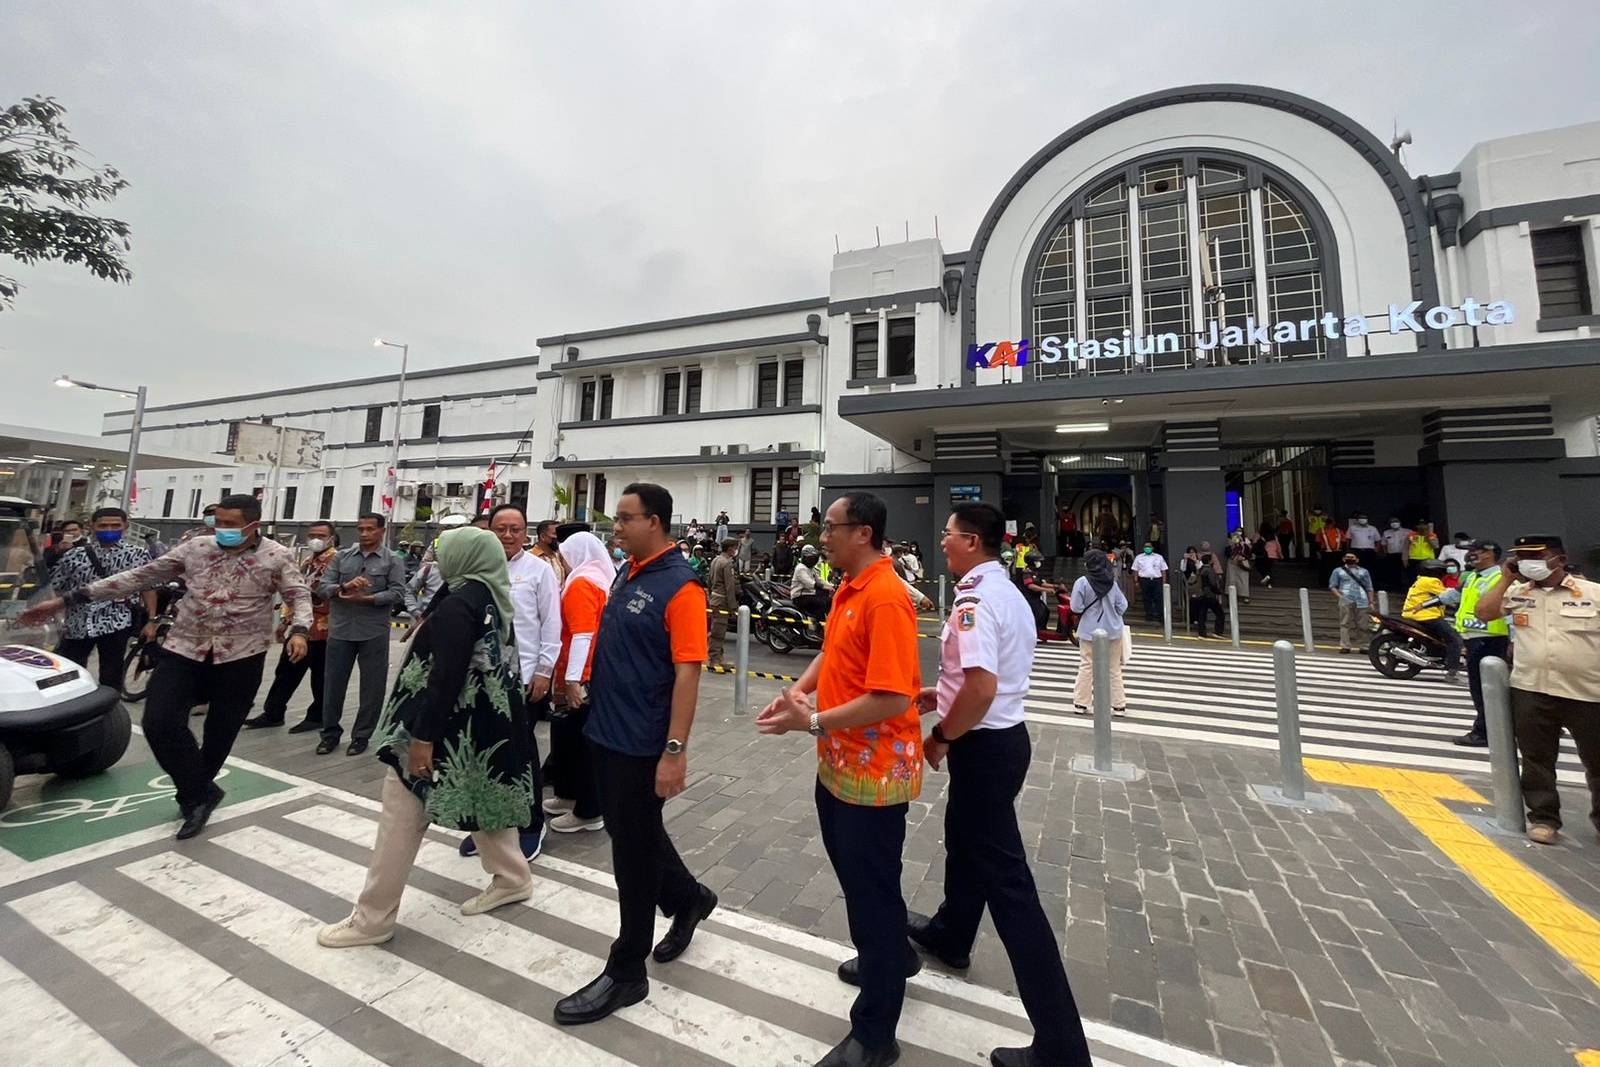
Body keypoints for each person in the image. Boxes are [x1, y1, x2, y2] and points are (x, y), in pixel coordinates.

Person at [910, 503, 1093, 1066]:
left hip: (983, 744)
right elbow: (980, 680)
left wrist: (941, 733)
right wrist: (940, 699)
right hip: (1004, 740)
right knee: (962, 838)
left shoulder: (973, 599)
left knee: (1009, 885)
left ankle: (1061, 1044)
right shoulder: (1008, 591)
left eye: (948, 534)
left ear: (970, 541)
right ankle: (952, 933)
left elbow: (982, 687)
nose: (942, 541)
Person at [23, 494, 311, 839]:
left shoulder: (278, 556)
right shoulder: (196, 549)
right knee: (158, 722)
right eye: (219, 522)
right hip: (184, 648)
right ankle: (200, 793)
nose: (222, 530)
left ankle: (195, 797)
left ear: (253, 525)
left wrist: (299, 630)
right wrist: (65, 600)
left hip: (242, 656)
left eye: (231, 525)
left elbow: (298, 595)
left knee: (220, 735)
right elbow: (138, 576)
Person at [756, 491, 922, 1067]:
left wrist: (815, 720)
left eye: (831, 527)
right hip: (839, 763)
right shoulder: (850, 589)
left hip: (874, 775)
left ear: (864, 533)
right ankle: (892, 954)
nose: (821, 537)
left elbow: (891, 695)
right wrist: (799, 693)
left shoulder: (886, 597)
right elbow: (833, 655)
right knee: (859, 881)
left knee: (871, 894)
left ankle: (876, 1035)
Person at [316, 526, 537, 950]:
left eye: (445, 551)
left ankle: (372, 919)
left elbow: (446, 677)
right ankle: (512, 878)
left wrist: (423, 738)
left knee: (400, 815)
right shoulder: (487, 594)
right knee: (478, 794)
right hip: (479, 730)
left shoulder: (459, 605)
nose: (438, 558)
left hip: (440, 731)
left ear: (464, 557)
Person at [555, 483, 716, 1026]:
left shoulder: (682, 587)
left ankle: (628, 971)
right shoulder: (629, 571)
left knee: (631, 854)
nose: (615, 528)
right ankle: (689, 898)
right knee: (634, 833)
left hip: (643, 743)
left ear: (656, 522)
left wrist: (675, 750)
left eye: (625, 519)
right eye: (615, 519)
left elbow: (688, 673)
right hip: (605, 729)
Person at [1473, 535, 1600, 846]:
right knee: (1536, 759)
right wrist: (1505, 578)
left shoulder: (1592, 593)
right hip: (1532, 688)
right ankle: (1543, 818)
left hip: (1587, 692)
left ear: (1558, 558)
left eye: (1536, 555)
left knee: (1598, 760)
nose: (1528, 561)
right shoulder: (1518, 593)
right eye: (1522, 556)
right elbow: (1484, 613)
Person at [462, 503, 561, 861]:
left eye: (515, 529)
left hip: (523, 679)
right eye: (500, 528)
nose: (507, 535)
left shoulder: (538, 571)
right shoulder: (475, 570)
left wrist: (544, 671)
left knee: (520, 754)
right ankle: (488, 827)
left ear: (525, 533)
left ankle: (531, 824)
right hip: (480, 679)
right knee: (483, 751)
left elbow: (552, 624)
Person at [317, 513, 412, 757]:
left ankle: (361, 736)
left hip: (373, 630)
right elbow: (323, 587)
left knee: (372, 687)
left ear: (381, 531)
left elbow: (398, 593)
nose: (364, 533)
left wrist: (368, 598)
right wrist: (345, 588)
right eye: (360, 529)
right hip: (340, 629)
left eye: (370, 529)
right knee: (333, 684)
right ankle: (329, 734)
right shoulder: (342, 556)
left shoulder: (392, 560)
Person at [544, 531, 612, 834]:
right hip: (586, 671)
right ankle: (568, 794)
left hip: (583, 674)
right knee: (568, 738)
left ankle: (588, 810)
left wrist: (573, 681)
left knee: (582, 744)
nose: (562, 560)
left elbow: (583, 634)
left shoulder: (583, 584)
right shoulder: (596, 578)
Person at [244, 521, 339, 731]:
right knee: (286, 670)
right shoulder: (306, 561)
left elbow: (334, 592)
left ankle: (317, 716)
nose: (316, 539)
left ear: (332, 538)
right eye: (312, 534)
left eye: (321, 535)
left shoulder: (337, 560)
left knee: (320, 675)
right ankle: (273, 712)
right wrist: (285, 622)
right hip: (300, 626)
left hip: (324, 628)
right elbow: (294, 593)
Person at [49, 507, 156, 691]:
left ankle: (109, 714)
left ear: (125, 526)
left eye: (115, 525)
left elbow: (148, 588)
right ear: (92, 526)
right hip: (77, 622)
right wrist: (55, 617)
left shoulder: (138, 555)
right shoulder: (75, 555)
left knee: (111, 674)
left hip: (116, 622)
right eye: (103, 525)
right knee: (70, 672)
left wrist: (151, 621)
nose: (109, 530)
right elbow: (57, 587)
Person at [1446, 540, 1510, 747]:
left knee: (1486, 690)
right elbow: (1454, 596)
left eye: (1475, 551)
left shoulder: (1501, 578)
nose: (1470, 555)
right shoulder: (1472, 576)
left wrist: (1514, 641)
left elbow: (1511, 610)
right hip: (1475, 639)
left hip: (1492, 640)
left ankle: (1483, 733)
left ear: (1490, 553)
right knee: (1484, 689)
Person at [1070, 549, 1128, 716]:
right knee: (1113, 668)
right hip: (1112, 631)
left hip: (1089, 630)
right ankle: (1119, 705)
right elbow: (1122, 606)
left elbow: (1075, 607)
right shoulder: (1112, 582)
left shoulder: (1082, 582)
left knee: (1086, 665)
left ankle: (1081, 703)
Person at [1402, 559, 1463, 681]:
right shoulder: (1432, 581)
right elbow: (1447, 595)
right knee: (1454, 639)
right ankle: (1453, 672)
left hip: (1416, 614)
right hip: (1427, 616)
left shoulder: (1421, 579)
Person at [1328, 550, 1375, 654]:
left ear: (1357, 560)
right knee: (1344, 623)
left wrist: (1371, 601)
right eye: (1347, 557)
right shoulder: (1338, 571)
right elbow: (1332, 586)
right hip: (1346, 600)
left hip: (1362, 600)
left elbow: (1369, 587)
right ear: (1343, 559)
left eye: (1352, 557)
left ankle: (1364, 646)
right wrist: (1340, 597)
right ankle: (1345, 646)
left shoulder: (1364, 571)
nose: (1350, 559)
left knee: (1363, 625)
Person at [707, 537, 740, 668]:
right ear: (730, 548)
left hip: (714, 598)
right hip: (722, 601)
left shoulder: (716, 560)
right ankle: (715, 660)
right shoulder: (727, 563)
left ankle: (718, 658)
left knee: (716, 629)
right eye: (735, 547)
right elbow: (729, 587)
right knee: (718, 632)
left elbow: (709, 581)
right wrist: (733, 607)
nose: (736, 550)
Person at [1187, 551, 1226, 639]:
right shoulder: (1210, 570)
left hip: (1201, 594)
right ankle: (1218, 631)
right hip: (1210, 595)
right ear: (1210, 561)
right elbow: (1212, 583)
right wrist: (1218, 592)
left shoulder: (1200, 569)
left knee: (1202, 614)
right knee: (1220, 613)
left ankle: (1202, 633)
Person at [792, 543, 834, 621]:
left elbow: (820, 580)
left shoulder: (811, 569)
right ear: (804, 557)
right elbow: (809, 583)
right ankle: (820, 626)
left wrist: (832, 586)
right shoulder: (800, 568)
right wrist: (821, 586)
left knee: (828, 601)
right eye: (809, 558)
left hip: (809, 594)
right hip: (800, 597)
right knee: (821, 602)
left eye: (813, 558)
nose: (811, 560)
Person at [1131, 540, 1168, 622]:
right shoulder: (1139, 557)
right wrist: (1136, 581)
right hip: (1144, 580)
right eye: (1146, 547)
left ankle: (1160, 616)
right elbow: (1135, 570)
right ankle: (1149, 615)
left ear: (1152, 548)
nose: (1147, 548)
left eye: (1149, 547)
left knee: (1158, 598)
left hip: (1156, 580)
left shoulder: (1158, 557)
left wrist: (1164, 582)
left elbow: (1164, 570)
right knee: (1146, 598)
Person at [407, 541, 444, 613]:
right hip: (426, 615)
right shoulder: (430, 569)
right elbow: (409, 591)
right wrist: (414, 611)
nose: (418, 550)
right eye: (417, 548)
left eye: (420, 548)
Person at [530, 519, 568, 584]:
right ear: (542, 537)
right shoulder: (531, 556)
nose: (558, 538)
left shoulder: (558, 555)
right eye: (555, 534)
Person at [1379, 518, 1409, 592]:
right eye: (1392, 522)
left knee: (1405, 571)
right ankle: (1394, 588)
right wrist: (1386, 553)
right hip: (1391, 555)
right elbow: (1384, 544)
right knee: (1392, 572)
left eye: (1396, 522)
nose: (1394, 523)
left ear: (1400, 522)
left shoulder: (1407, 532)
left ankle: (1404, 588)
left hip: (1404, 555)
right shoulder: (1386, 532)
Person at [1313, 516, 1345, 585]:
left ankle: (1337, 582)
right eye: (1328, 523)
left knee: (1337, 569)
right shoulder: (1321, 530)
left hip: (1337, 553)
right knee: (1325, 569)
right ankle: (1325, 582)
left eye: (1330, 523)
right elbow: (1317, 542)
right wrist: (1318, 552)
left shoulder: (1339, 531)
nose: (1329, 524)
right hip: (1325, 552)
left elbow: (1343, 541)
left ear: (1334, 523)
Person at [1224, 529, 1252, 604]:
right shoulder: (1229, 546)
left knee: (1243, 580)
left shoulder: (1245, 545)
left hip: (1242, 563)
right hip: (1232, 563)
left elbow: (1249, 554)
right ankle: (1231, 597)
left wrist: (1243, 557)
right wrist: (1232, 547)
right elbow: (1227, 554)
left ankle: (1245, 596)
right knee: (1231, 580)